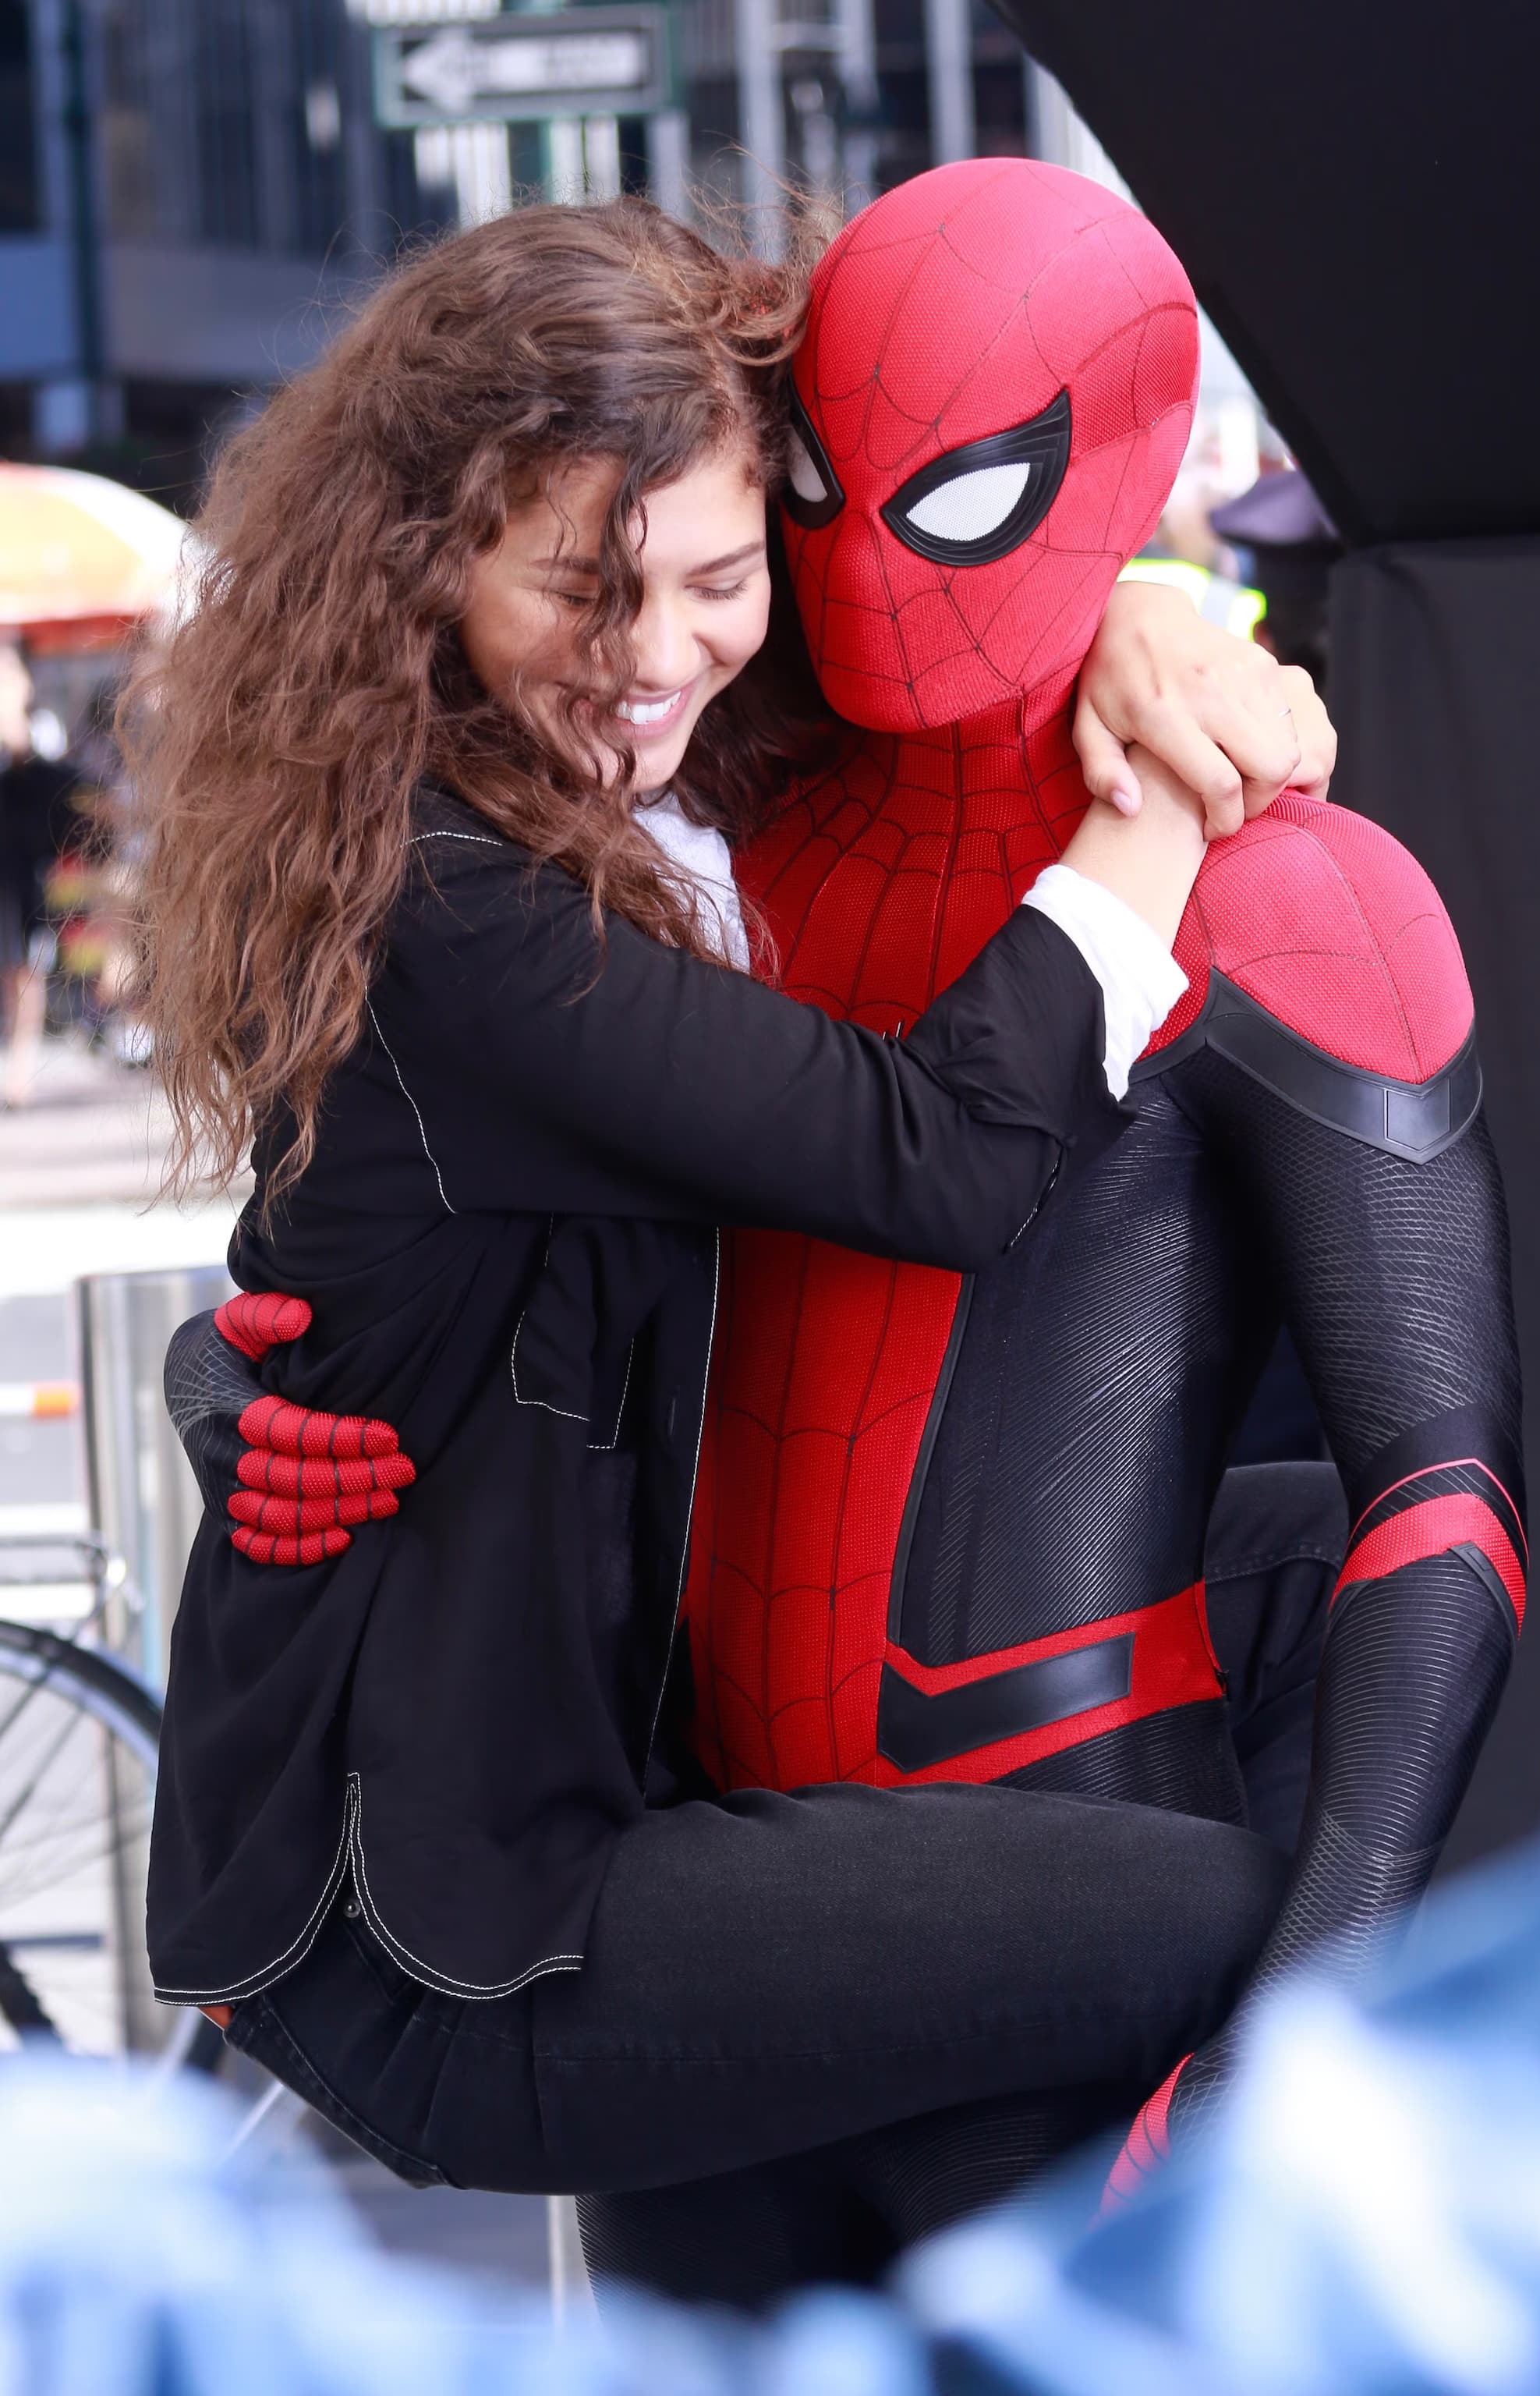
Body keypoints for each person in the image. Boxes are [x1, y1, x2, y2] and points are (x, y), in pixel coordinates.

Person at [136, 193, 1343, 2210]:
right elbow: (942, 1155)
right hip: (464, 1925)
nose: (651, 654)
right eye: (576, 588)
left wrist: (1141, 616)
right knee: (1251, 1920)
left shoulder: (651, 780)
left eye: (714, 579)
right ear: (428, 567)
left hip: (629, 1750)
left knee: (1307, 1565)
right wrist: (1158, 793)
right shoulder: (450, 899)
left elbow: (962, 610)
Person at [0, 643, 75, 1108]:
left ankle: (20, 1066)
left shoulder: (41, 733)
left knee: (27, 971)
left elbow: (63, 790)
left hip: (27, 875)